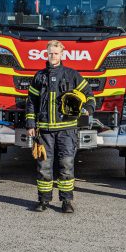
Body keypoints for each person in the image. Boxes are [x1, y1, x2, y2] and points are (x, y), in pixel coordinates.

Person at [26, 40, 95, 213]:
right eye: (50, 53)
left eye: (56, 53)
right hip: (44, 130)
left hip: (67, 129)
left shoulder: (72, 75)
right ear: (46, 54)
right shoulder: (39, 77)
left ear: (62, 55)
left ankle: (66, 201)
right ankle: (43, 200)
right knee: (44, 166)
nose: (53, 56)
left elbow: (90, 96)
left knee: (66, 165)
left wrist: (87, 109)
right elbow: (31, 103)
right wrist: (30, 124)